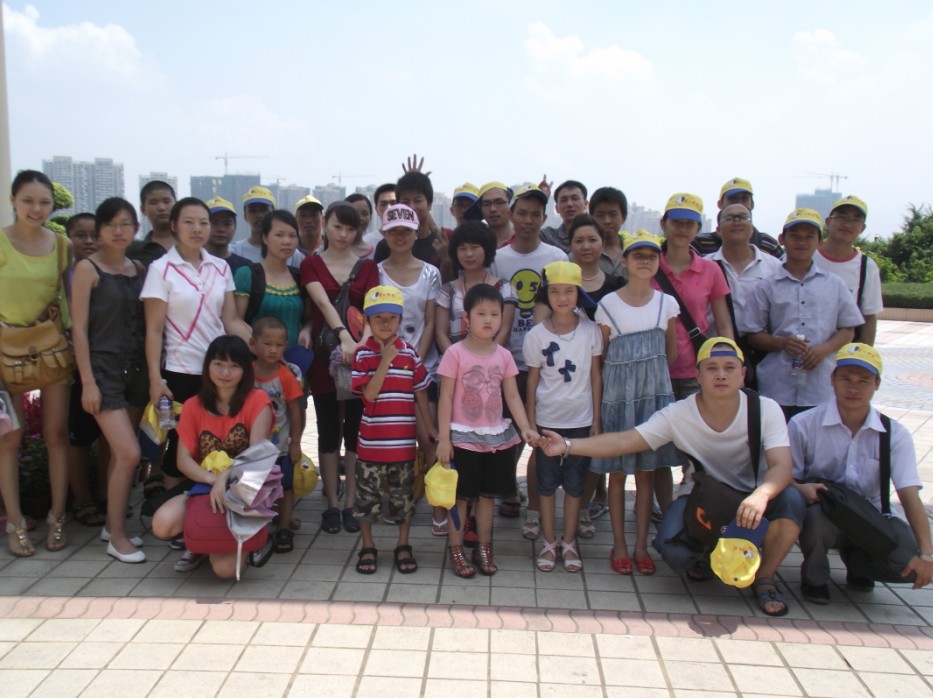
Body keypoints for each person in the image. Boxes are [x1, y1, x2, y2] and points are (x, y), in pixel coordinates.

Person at [539, 338, 806, 616]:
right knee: (672, 549)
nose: (721, 375)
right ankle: (707, 554)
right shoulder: (679, 414)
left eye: (729, 367)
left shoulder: (765, 408)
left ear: (743, 374)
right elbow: (625, 441)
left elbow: (781, 466)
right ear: (697, 375)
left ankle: (765, 578)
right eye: (711, 368)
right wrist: (567, 445)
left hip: (755, 497)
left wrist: (761, 495)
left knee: (791, 500)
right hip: (705, 497)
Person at [141, 197, 253, 571]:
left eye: (203, 222)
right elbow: (154, 330)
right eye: (188, 221)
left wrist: (259, 349)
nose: (197, 229)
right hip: (180, 371)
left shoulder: (220, 267)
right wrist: (155, 378)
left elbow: (230, 321)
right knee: (180, 448)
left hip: (219, 371)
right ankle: (185, 530)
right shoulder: (161, 270)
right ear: (174, 225)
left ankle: (213, 524)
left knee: (218, 444)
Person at [790, 343, 933, 603]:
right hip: (825, 514)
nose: (853, 388)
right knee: (815, 520)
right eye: (845, 378)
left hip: (873, 520)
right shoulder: (804, 424)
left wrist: (926, 554)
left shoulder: (894, 434)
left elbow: (909, 495)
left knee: (912, 566)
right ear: (832, 379)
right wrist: (801, 489)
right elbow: (787, 477)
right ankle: (814, 578)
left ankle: (859, 565)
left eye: (864, 380)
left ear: (877, 384)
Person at [591, 232, 679, 576]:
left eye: (651, 255)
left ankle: (641, 544)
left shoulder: (666, 303)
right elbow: (601, 356)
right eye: (637, 255)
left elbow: (670, 352)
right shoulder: (608, 305)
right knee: (616, 474)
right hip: (618, 398)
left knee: (646, 474)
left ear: (659, 262)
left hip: (653, 398)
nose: (644, 260)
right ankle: (619, 544)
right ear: (624, 261)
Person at [437, 284, 540, 577]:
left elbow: (513, 397)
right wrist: (444, 438)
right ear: (466, 318)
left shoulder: (504, 356)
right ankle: (456, 550)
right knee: (460, 499)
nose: (488, 320)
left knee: (487, 498)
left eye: (495, 314)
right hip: (461, 438)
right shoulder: (455, 353)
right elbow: (445, 398)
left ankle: (483, 547)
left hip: (495, 437)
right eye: (481, 313)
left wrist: (526, 428)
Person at [151, 336, 274, 580]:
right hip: (204, 485)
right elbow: (183, 460)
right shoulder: (193, 405)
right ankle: (200, 543)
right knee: (162, 524)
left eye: (234, 366)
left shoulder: (258, 400)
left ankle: (247, 543)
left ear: (245, 370)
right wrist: (212, 481)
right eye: (218, 364)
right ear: (207, 365)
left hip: (245, 488)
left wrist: (224, 479)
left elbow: (256, 458)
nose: (225, 373)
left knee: (224, 570)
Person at [71, 197, 150, 563]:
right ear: (100, 230)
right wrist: (87, 381)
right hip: (103, 371)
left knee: (122, 455)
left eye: (126, 224)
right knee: (129, 453)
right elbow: (79, 330)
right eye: (111, 224)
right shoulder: (87, 269)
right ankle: (117, 537)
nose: (119, 231)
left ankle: (112, 525)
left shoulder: (139, 268)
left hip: (136, 371)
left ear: (136, 228)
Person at [0, 170, 72, 557]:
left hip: (50, 348)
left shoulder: (62, 245)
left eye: (44, 202)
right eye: (28, 200)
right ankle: (15, 522)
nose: (36, 208)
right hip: (4, 351)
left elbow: (67, 300)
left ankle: (57, 517)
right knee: (9, 439)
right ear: (13, 200)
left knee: (55, 434)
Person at [490, 184, 567, 532]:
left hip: (545, 363)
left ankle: (534, 505)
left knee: (537, 433)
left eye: (535, 214)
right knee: (507, 430)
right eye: (522, 213)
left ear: (544, 218)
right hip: (506, 360)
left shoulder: (557, 258)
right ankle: (508, 489)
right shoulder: (498, 258)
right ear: (511, 215)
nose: (528, 220)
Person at [300, 202, 379, 535]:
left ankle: (351, 504)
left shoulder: (368, 267)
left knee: (356, 432)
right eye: (337, 226)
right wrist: (346, 338)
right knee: (329, 430)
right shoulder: (311, 264)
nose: (343, 234)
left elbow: (373, 309)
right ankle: (332, 503)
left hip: (359, 359)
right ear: (325, 225)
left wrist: (364, 345)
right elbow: (322, 303)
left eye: (350, 228)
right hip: (325, 359)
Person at [653, 193, 733, 514]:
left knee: (698, 447)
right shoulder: (648, 264)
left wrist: (727, 368)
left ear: (699, 228)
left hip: (695, 372)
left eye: (690, 223)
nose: (682, 228)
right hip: (656, 372)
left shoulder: (711, 270)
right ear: (664, 224)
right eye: (676, 221)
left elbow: (723, 324)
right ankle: (664, 511)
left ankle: (692, 511)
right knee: (658, 446)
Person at [747, 208, 863, 420]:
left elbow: (848, 329)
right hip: (777, 386)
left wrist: (823, 350)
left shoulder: (834, 284)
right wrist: (782, 343)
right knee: (776, 438)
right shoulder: (766, 286)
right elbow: (753, 334)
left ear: (819, 241)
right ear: (782, 239)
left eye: (809, 236)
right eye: (795, 235)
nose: (802, 241)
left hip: (820, 386)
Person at [524, 262, 602, 573]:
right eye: (555, 291)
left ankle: (568, 541)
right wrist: (530, 422)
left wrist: (596, 419)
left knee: (574, 485)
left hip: (581, 420)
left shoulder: (591, 331)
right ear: (547, 295)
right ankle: (548, 540)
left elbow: (596, 376)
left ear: (579, 294)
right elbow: (532, 380)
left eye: (569, 291)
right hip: (547, 419)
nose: (562, 297)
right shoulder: (536, 335)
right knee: (545, 485)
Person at [351, 286, 433, 575]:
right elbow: (368, 396)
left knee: (404, 500)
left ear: (400, 319)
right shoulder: (362, 354)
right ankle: (368, 546)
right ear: (366, 320)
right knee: (367, 502)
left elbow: (421, 392)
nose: (385, 324)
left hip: (403, 445)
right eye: (378, 318)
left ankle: (403, 544)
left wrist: (430, 429)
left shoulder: (410, 354)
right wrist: (385, 360)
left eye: (391, 318)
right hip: (371, 447)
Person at [377, 203, 442, 520]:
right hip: (386, 367)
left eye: (406, 231)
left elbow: (430, 321)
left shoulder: (431, 273)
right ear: (384, 234)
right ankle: (397, 498)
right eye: (394, 231)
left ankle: (437, 503)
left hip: (423, 367)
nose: (400, 236)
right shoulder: (375, 272)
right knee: (393, 439)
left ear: (417, 233)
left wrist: (414, 359)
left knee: (428, 437)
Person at [64, 213, 108, 528]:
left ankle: (106, 493)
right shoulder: (62, 274)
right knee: (78, 437)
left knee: (109, 435)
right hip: (73, 366)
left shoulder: (111, 271)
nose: (89, 241)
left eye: (94, 234)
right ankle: (81, 498)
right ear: (69, 239)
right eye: (80, 235)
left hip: (108, 364)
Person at [248, 317, 303, 555]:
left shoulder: (285, 376)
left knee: (285, 486)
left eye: (279, 345)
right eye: (267, 343)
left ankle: (284, 527)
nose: (273, 350)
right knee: (255, 485)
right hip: (252, 447)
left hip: (280, 446)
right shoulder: (246, 373)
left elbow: (295, 410)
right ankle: (258, 526)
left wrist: (296, 442)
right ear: (253, 344)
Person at [436, 221, 516, 353]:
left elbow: (505, 331)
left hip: (494, 361)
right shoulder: (447, 291)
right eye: (462, 248)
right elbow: (441, 333)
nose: (469, 254)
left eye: (474, 247)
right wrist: (456, 359)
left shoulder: (504, 288)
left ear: (487, 249)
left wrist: (485, 359)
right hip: (455, 362)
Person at [234, 210, 309, 350]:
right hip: (256, 358)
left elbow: (309, 319)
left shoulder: (299, 276)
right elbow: (236, 321)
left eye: (292, 235)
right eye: (279, 235)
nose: (287, 241)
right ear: (265, 238)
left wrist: (307, 330)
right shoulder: (247, 274)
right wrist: (262, 350)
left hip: (293, 361)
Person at [705, 204, 782, 339]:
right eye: (729, 218)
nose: (737, 222)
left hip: (762, 348)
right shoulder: (705, 266)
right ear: (718, 230)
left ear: (752, 229)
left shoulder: (774, 267)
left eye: (743, 217)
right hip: (716, 347)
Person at [814, 196, 883, 346]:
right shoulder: (806, 256)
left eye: (856, 219)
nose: (847, 224)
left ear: (862, 228)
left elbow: (869, 317)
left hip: (845, 353)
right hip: (802, 349)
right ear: (828, 222)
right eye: (841, 217)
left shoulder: (866, 267)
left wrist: (863, 355)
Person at [374, 172, 451, 280]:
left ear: (429, 204)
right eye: (405, 202)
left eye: (418, 201)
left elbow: (449, 286)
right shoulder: (387, 244)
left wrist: (446, 260)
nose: (412, 207)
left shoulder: (441, 243)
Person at [692, 177, 783, 259]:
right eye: (733, 199)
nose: (739, 203)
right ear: (720, 204)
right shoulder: (700, 244)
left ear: (752, 204)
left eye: (744, 199)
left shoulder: (769, 244)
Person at [230, 186, 303, 266]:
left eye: (264, 210)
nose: (259, 215)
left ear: (274, 214)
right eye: (253, 211)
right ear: (245, 216)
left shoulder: (292, 254)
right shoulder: (235, 251)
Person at [128, 180, 176, 267]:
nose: (161, 208)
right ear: (143, 209)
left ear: (176, 205)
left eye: (166, 201)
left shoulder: (194, 244)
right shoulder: (134, 253)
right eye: (153, 203)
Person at [588, 187, 629, 278]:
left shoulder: (633, 252)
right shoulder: (582, 253)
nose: (607, 221)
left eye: (613, 214)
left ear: (624, 217)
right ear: (591, 218)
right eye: (600, 215)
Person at [539, 180, 589, 253]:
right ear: (557, 208)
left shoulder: (597, 234)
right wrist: (540, 200)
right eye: (564, 200)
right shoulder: (547, 237)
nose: (569, 204)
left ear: (586, 204)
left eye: (575, 198)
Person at [205, 196, 250, 274]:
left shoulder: (246, 267)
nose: (221, 229)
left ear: (235, 227)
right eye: (214, 223)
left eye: (227, 224)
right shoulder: (190, 264)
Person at [473, 181, 513, 248]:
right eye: (486, 204)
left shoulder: (523, 240)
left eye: (499, 202)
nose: (493, 209)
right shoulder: (476, 245)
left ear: (510, 205)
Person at [362, 184, 396, 249]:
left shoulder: (411, 240)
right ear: (376, 210)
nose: (388, 208)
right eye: (383, 204)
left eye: (393, 203)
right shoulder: (367, 242)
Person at [346, 192, 376, 260]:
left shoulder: (375, 253)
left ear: (370, 217)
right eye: (354, 213)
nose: (360, 218)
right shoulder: (331, 249)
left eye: (364, 214)